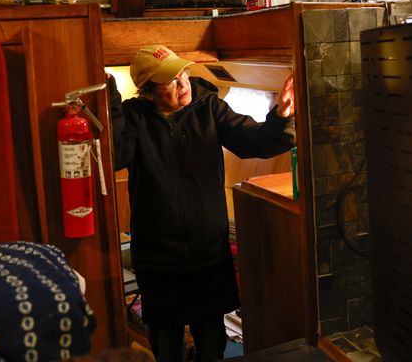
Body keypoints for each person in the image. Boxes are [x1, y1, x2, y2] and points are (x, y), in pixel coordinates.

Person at [107, 44, 296, 362]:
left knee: (211, 342)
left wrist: (279, 117)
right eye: (170, 81)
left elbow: (255, 141)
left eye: (183, 73)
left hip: (208, 251)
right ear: (149, 92)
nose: (183, 84)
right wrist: (110, 101)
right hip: (158, 257)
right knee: (166, 345)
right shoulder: (134, 118)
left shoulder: (210, 108)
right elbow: (114, 155)